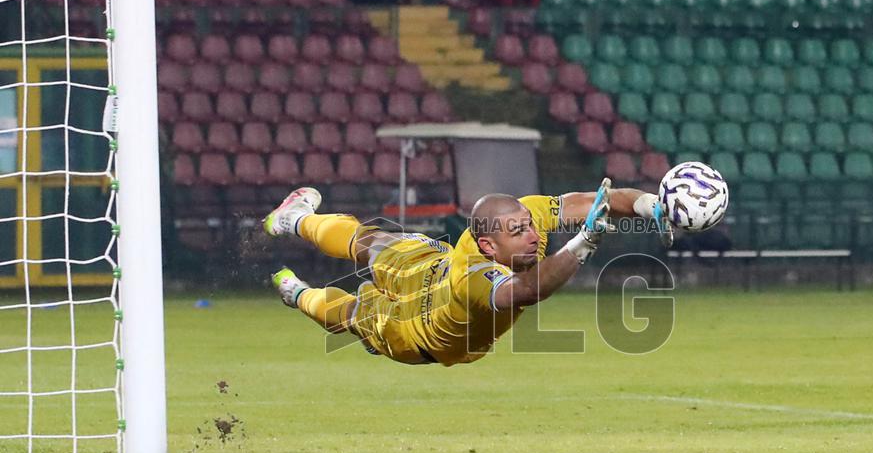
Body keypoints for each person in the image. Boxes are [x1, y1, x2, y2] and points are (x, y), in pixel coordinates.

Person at [263, 180, 672, 366]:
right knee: (362, 275)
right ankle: (295, 228)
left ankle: (294, 290)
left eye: (531, 224)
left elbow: (600, 200)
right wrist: (584, 243)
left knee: (363, 279)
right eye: (518, 231)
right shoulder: (474, 276)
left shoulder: (519, 218)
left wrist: (652, 206)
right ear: (488, 247)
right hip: (418, 314)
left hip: (424, 301)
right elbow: (526, 292)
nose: (532, 234)